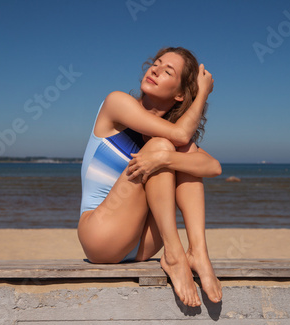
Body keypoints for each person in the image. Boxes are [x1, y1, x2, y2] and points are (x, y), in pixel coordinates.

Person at [77, 47, 222, 307]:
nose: (155, 70)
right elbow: (178, 136)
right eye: (156, 64)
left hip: (141, 246)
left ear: (179, 94)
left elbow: (213, 167)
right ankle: (175, 254)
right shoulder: (117, 103)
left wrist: (168, 159)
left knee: (181, 155)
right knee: (166, 147)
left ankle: (198, 252)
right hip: (100, 236)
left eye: (168, 71)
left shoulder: (167, 140)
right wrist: (202, 94)